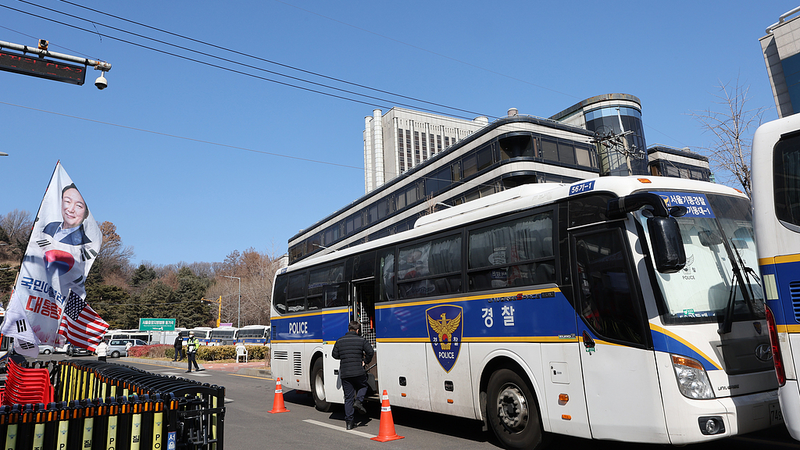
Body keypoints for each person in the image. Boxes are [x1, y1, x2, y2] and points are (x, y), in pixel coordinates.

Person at [332, 320, 374, 430]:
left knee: (348, 397)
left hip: (345, 373)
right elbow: (370, 351)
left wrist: (344, 357)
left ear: (348, 329)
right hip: (358, 371)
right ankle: (359, 401)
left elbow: (334, 355)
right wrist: (365, 360)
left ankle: (349, 423)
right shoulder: (361, 340)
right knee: (363, 386)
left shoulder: (340, 341)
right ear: (357, 330)